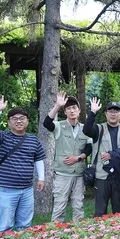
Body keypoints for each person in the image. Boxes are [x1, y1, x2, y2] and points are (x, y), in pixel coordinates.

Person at [0, 95, 46, 233]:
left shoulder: (33, 140)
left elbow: (38, 159)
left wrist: (41, 178)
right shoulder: (3, 137)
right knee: (5, 227)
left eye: (22, 118)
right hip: (5, 190)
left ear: (27, 121)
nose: (18, 121)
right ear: (8, 122)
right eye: (14, 119)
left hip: (26, 190)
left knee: (25, 226)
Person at [43, 93, 92, 222]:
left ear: (79, 111)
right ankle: (55, 236)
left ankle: (78, 236)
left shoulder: (85, 129)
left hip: (79, 174)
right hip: (62, 174)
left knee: (78, 207)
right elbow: (47, 123)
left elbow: (89, 148)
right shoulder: (59, 126)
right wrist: (57, 105)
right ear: (65, 112)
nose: (72, 110)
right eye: (68, 108)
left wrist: (79, 158)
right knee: (59, 206)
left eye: (74, 108)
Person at [83, 98, 120, 216]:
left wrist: (112, 155)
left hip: (119, 175)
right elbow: (86, 130)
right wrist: (92, 112)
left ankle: (118, 234)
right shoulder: (98, 129)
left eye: (116, 111)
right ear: (106, 114)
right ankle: (99, 233)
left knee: (118, 211)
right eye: (110, 111)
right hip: (102, 176)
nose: (113, 114)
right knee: (100, 212)